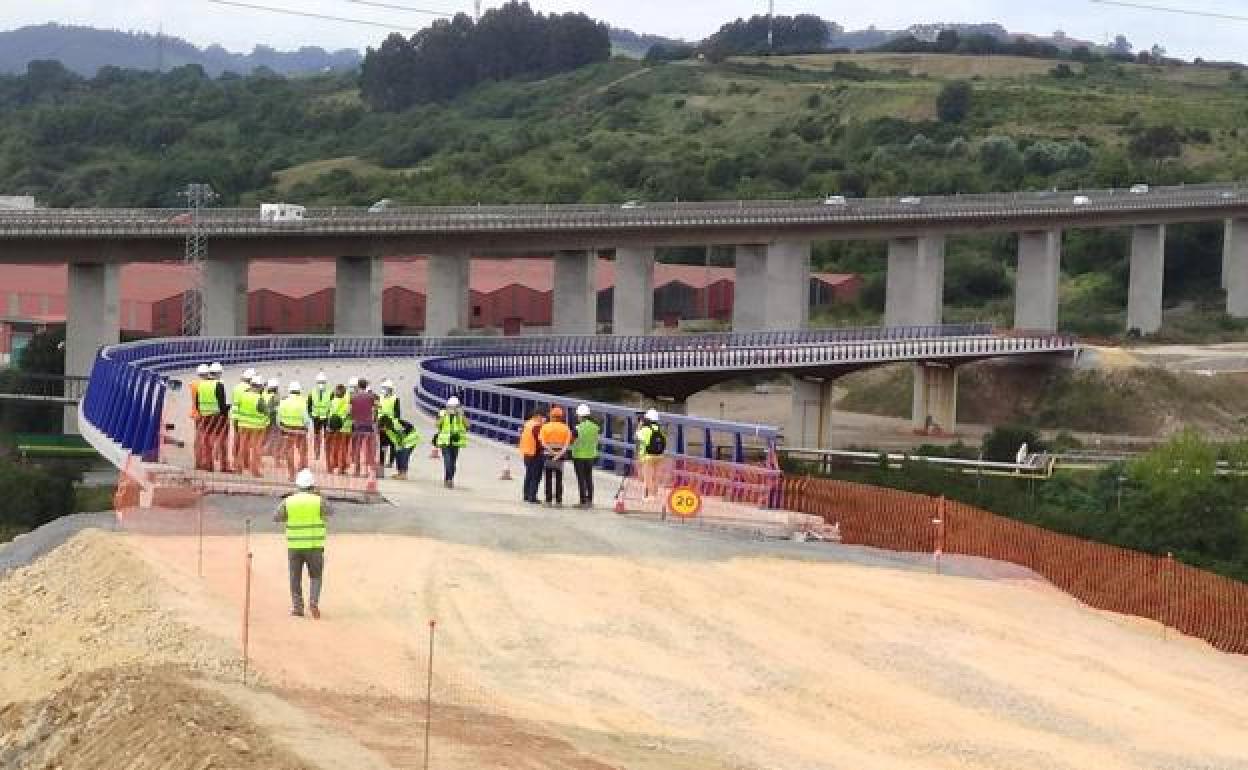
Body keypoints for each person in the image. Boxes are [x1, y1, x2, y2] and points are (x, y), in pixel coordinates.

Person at [274, 468, 333, 619]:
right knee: (316, 576)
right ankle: (313, 602)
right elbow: (330, 512)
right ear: (313, 485)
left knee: (295, 578)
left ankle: (298, 608)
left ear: (297, 485)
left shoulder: (289, 501)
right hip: (314, 546)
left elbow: (276, 517)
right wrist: (320, 496)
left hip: (294, 547)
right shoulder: (318, 500)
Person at [234, 375, 271, 477]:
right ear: (260, 386)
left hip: (243, 424)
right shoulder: (259, 398)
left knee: (242, 446)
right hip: (257, 427)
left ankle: (238, 468)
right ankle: (255, 470)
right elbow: (266, 412)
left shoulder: (243, 395)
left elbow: (237, 408)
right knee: (256, 448)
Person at [277, 381, 311, 483]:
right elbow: (306, 418)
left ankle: (291, 474)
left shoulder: (283, 401)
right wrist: (307, 427)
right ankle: (302, 474)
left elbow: (278, 418)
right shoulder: (303, 401)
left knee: (289, 452)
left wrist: (282, 427)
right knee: (303, 452)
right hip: (300, 430)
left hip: (287, 429)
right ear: (299, 391)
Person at [538, 406, 572, 506]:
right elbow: (566, 445)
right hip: (560, 457)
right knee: (559, 478)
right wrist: (558, 454)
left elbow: (543, 443)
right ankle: (558, 501)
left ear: (551, 416)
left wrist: (552, 452)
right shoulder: (566, 428)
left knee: (548, 478)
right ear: (561, 417)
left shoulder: (545, 427)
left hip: (548, 455)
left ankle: (548, 500)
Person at [200, 362, 229, 472]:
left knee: (207, 441)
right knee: (222, 442)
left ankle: (209, 464)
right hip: (217, 416)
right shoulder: (219, 385)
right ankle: (224, 466)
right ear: (219, 373)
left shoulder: (201, 384)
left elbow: (198, 402)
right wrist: (226, 412)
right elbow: (222, 404)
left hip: (205, 416)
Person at [434, 396, 469, 488]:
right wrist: (445, 415)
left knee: (453, 462)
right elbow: (437, 424)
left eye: (454, 407)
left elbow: (468, 426)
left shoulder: (461, 415)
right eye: (451, 407)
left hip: (456, 442)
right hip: (445, 441)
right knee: (447, 460)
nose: (452, 409)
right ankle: (449, 480)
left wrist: (461, 416)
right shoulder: (442, 413)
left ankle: (449, 479)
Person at [571, 403, 600, 508]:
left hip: (579, 456)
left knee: (581, 479)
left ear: (580, 416)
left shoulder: (577, 428)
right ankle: (590, 500)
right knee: (589, 478)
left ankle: (582, 501)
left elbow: (571, 440)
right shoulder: (595, 427)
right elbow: (596, 440)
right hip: (591, 456)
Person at [350, 377, 379, 477]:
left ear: (358, 386)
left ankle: (356, 470)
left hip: (357, 425)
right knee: (368, 448)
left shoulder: (353, 397)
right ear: (366, 386)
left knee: (357, 448)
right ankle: (366, 470)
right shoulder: (371, 397)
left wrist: (354, 417)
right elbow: (376, 408)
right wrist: (374, 419)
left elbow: (349, 411)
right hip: (368, 425)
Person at [378, 415, 423, 480]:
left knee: (404, 455)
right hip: (401, 443)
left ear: (386, 424)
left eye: (382, 427)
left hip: (411, 440)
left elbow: (410, 427)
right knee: (398, 455)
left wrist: (403, 433)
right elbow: (384, 445)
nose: (382, 429)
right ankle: (400, 473)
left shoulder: (397, 422)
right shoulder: (386, 431)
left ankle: (404, 474)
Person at [517, 407, 547, 504]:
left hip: (526, 453)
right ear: (538, 416)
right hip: (535, 454)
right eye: (543, 417)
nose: (544, 419)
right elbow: (540, 441)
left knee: (529, 475)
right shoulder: (537, 427)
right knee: (536, 476)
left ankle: (526, 495)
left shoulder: (527, 424)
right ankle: (532, 496)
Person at [635, 409, 666, 500]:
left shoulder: (645, 430)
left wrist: (640, 425)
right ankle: (652, 495)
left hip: (647, 456)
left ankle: (650, 496)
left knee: (647, 478)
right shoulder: (660, 430)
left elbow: (636, 436)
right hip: (659, 456)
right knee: (655, 478)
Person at [230, 368, 258, 472]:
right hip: (244, 417)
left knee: (237, 439)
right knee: (246, 441)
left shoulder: (236, 387)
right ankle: (244, 462)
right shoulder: (250, 389)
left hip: (235, 416)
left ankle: (235, 460)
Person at [307, 372, 334, 462]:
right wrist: (311, 414)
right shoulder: (312, 392)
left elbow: (333, 405)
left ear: (325, 382)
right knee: (316, 436)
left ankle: (327, 451)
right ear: (316, 382)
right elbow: (309, 405)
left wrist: (329, 415)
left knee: (327, 436)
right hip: (316, 417)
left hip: (326, 417)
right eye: (319, 382)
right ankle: (316, 453)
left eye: (322, 382)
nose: (321, 384)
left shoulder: (330, 393)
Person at [326, 383, 351, 475]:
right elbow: (347, 414)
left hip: (331, 427)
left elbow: (328, 414)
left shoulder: (331, 401)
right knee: (342, 449)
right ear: (344, 393)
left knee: (331, 448)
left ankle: (330, 468)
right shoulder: (346, 403)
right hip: (342, 428)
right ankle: (341, 468)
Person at [377, 379, 401, 468]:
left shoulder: (395, 399)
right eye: (383, 388)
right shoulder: (380, 398)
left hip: (391, 424)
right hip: (382, 423)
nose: (384, 390)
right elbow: (377, 411)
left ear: (390, 389)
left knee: (392, 444)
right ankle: (381, 461)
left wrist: (396, 424)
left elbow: (397, 414)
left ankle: (390, 462)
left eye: (386, 388)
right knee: (382, 444)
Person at [190, 364, 209, 470]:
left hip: (196, 413)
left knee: (197, 437)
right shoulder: (208, 385)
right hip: (206, 413)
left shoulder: (193, 384)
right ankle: (204, 461)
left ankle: (197, 461)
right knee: (205, 438)